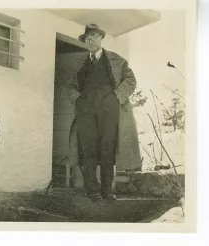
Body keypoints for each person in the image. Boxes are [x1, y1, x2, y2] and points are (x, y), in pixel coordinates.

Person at [68, 24, 141, 201]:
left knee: (108, 148)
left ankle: (107, 191)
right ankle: (92, 190)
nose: (90, 40)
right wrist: (78, 99)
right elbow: (70, 87)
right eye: (87, 38)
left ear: (101, 37)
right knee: (88, 149)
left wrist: (117, 97)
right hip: (86, 112)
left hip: (110, 110)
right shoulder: (80, 64)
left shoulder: (117, 60)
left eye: (93, 36)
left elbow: (131, 80)